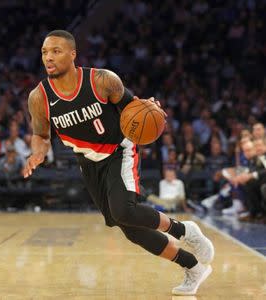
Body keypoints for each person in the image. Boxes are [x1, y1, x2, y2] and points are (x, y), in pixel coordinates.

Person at [23, 30, 214, 296]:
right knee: (130, 229)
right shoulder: (38, 97)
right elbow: (40, 135)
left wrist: (150, 107)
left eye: (56, 51)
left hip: (118, 150)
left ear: (73, 54)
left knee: (124, 210)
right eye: (45, 52)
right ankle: (193, 267)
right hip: (88, 161)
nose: (49, 57)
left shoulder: (102, 80)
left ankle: (185, 230)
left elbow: (134, 107)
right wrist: (37, 153)